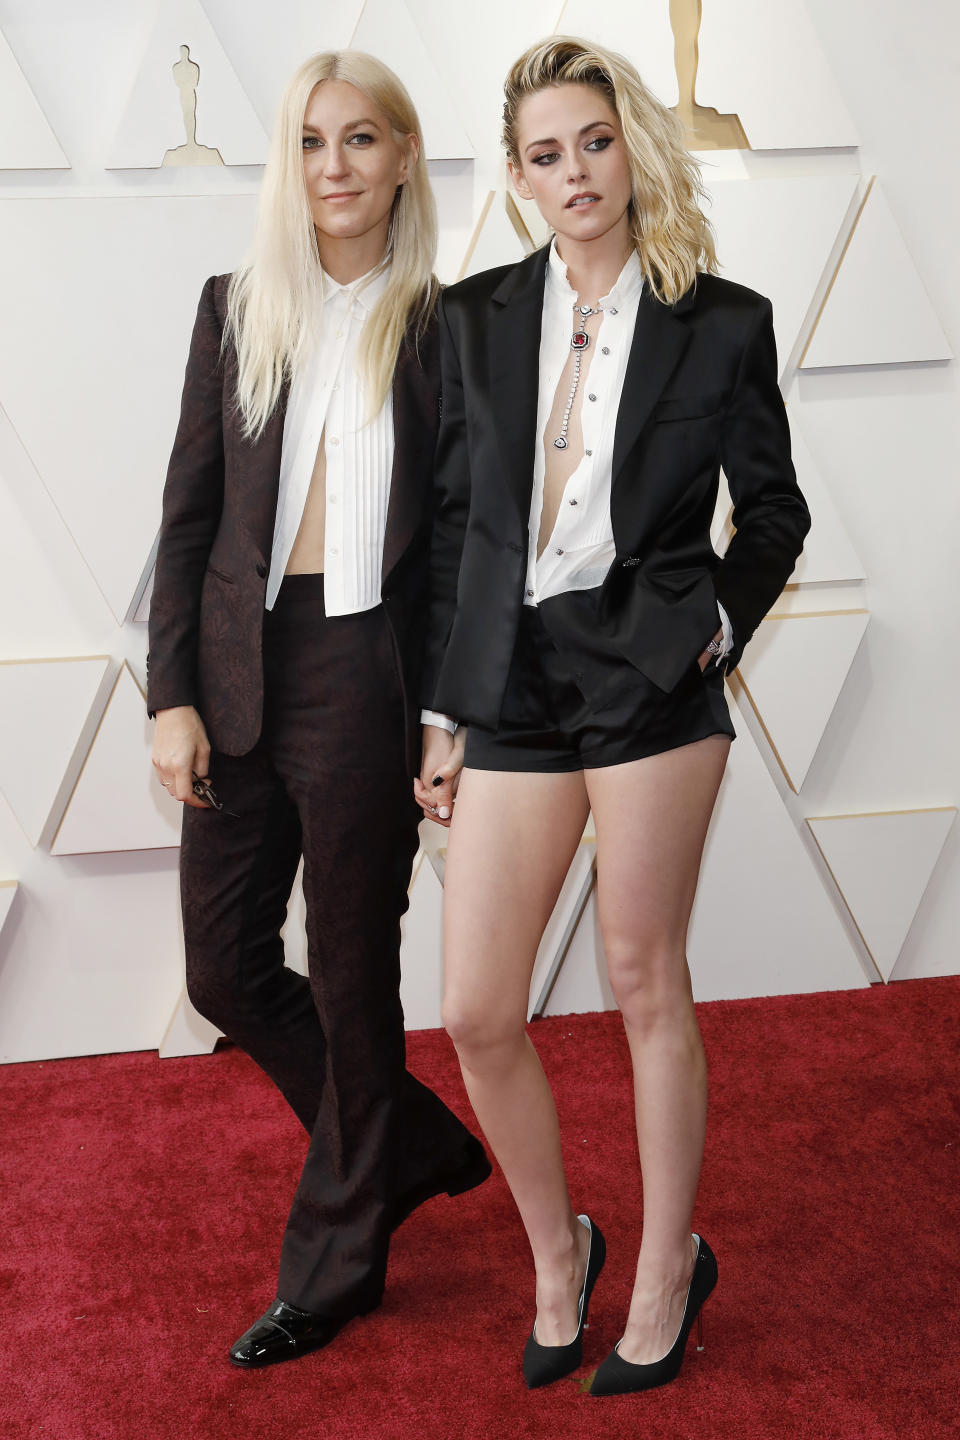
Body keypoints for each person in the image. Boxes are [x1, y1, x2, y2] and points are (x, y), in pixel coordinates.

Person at [416, 36, 809, 1396]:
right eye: (544, 152)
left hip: (651, 677)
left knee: (647, 981)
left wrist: (711, 632)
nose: (574, 171)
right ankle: (557, 1253)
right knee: (475, 1007)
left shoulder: (725, 318)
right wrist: (444, 711)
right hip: (512, 682)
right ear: (517, 175)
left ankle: (665, 1267)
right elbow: (462, 525)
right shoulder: (469, 319)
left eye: (593, 140)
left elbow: (773, 516)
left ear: (630, 143)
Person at [147, 50, 489, 1370]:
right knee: (224, 966)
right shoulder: (234, 309)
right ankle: (404, 1143)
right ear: (289, 166)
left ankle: (336, 1268)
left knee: (352, 975)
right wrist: (170, 691)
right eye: (311, 142)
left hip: (366, 675)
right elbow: (185, 522)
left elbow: (462, 544)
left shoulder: (453, 331)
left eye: (361, 139)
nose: (335, 166)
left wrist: (450, 714)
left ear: (403, 156)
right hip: (240, 665)